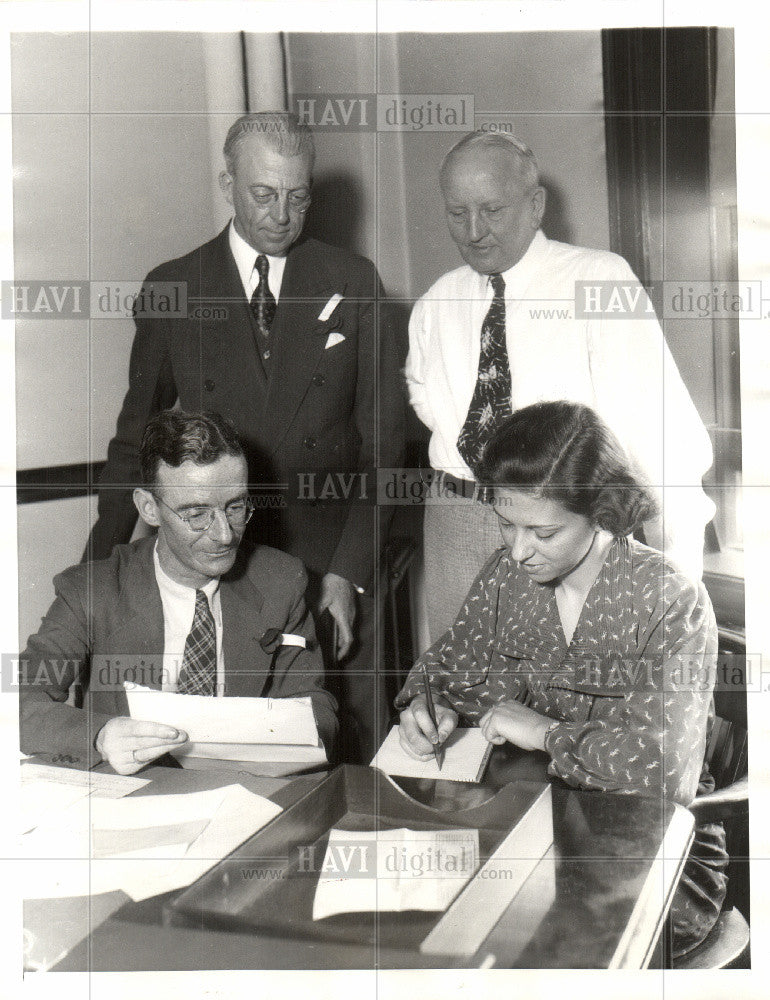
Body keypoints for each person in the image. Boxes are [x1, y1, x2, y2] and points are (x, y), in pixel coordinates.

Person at [85, 112, 404, 761]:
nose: (283, 214)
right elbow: (132, 442)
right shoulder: (173, 287)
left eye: (299, 195)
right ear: (228, 183)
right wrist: (99, 569)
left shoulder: (354, 282)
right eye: (264, 194)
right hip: (220, 566)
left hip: (331, 562)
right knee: (228, 755)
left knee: (340, 753)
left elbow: (385, 449)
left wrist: (348, 575)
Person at [395, 400, 727, 958]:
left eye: (543, 532)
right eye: (506, 524)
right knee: (421, 917)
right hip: (524, 814)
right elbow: (446, 670)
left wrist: (545, 731)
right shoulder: (506, 575)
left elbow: (662, 774)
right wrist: (429, 709)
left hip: (642, 845)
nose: (518, 550)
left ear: (600, 511)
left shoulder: (670, 600)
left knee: (541, 946)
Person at [405, 129, 714, 643]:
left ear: (536, 204)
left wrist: (677, 580)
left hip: (564, 525)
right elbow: (426, 402)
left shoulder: (600, 280)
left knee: (562, 702)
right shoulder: (437, 302)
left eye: (492, 210)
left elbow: (662, 439)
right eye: (457, 214)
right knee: (458, 691)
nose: (475, 231)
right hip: (456, 521)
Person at [19, 410, 337, 775]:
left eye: (235, 507)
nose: (224, 535)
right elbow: (20, 701)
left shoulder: (281, 581)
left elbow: (314, 704)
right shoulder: (92, 592)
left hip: (243, 790)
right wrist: (100, 735)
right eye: (196, 514)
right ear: (149, 508)